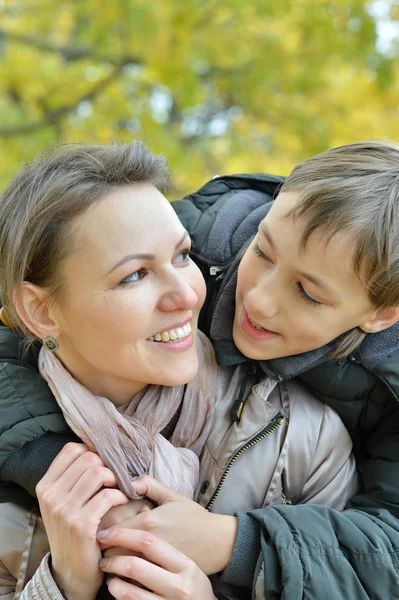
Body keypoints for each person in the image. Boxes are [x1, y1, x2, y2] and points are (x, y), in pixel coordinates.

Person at [0, 142, 357, 600]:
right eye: (135, 276)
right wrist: (65, 586)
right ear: (41, 311)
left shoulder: (305, 440)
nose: (187, 296)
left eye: (182, 256)